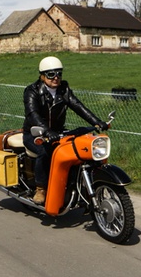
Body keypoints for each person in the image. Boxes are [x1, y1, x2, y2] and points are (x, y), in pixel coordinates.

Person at [22, 56, 107, 205]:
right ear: (42, 76)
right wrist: (46, 131)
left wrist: (97, 122)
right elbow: (32, 114)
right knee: (44, 151)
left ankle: (75, 185)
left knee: (77, 151)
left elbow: (77, 106)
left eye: (59, 74)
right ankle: (40, 188)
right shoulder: (32, 91)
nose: (56, 78)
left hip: (58, 132)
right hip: (35, 133)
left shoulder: (64, 89)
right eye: (51, 74)